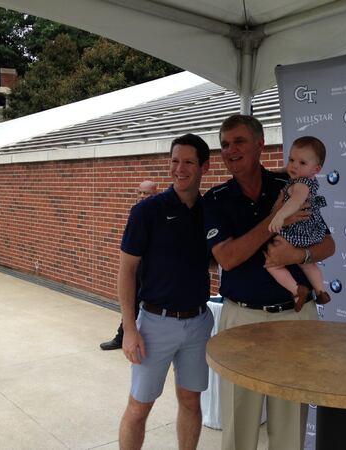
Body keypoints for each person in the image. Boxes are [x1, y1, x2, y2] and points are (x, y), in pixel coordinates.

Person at [203, 115, 335, 450]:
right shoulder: (215, 199)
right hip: (240, 318)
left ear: (261, 144)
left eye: (239, 141)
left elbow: (327, 245)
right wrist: (273, 218)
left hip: (294, 317)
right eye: (224, 144)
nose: (230, 150)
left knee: (289, 424)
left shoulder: (290, 186)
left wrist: (298, 256)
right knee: (239, 421)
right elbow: (228, 257)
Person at [119, 133, 213, 450]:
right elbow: (126, 271)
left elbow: (215, 258)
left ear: (204, 167)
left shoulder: (210, 211)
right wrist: (130, 329)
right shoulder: (147, 212)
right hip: (155, 324)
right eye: (174, 161)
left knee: (190, 400)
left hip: (198, 322)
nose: (179, 168)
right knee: (139, 406)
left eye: (188, 162)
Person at [267, 136, 331, 311]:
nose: (294, 165)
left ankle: (296, 290)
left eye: (302, 163)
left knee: (273, 264)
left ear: (316, 169)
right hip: (309, 232)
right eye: (291, 159)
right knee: (308, 264)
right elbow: (288, 171)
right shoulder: (306, 179)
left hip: (296, 231)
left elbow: (295, 201)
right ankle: (321, 291)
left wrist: (279, 216)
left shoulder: (301, 185)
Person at [100, 180, 158, 351]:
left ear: (155, 192)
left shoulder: (161, 211)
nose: (141, 196)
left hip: (154, 267)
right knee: (132, 301)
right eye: (139, 193)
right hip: (137, 266)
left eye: (145, 193)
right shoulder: (136, 211)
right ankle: (123, 336)